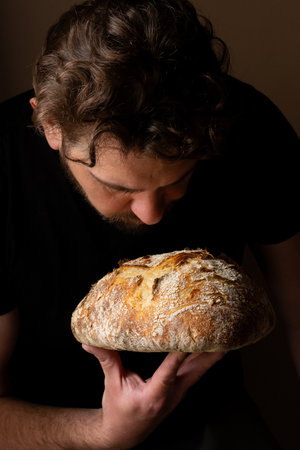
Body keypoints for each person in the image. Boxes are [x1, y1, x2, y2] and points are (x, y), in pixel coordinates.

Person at [0, 0, 299, 448]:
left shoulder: (248, 126)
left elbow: (298, 303)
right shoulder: (3, 170)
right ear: (51, 127)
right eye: (118, 187)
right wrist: (104, 434)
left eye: (179, 180)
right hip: (49, 422)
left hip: (209, 408)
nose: (152, 214)